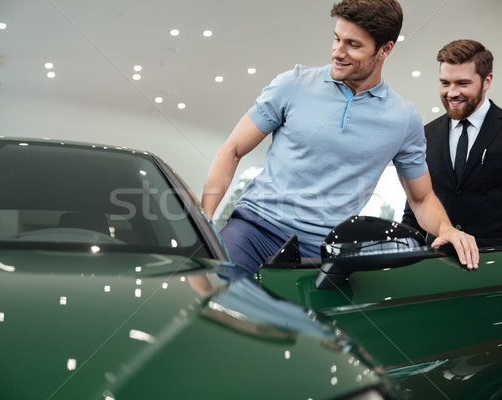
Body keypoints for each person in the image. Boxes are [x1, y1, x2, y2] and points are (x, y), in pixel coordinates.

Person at [202, 0, 478, 275]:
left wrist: (447, 229)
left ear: (385, 49)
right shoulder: (293, 84)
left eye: (353, 45)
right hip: (253, 229)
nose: (338, 52)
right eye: (337, 39)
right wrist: (204, 220)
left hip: (324, 253)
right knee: (214, 298)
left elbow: (421, 198)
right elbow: (233, 149)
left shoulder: (403, 119)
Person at [402, 39, 502, 245]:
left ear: (487, 81)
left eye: (462, 83)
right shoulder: (425, 134)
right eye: (445, 83)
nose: (452, 93)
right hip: (439, 263)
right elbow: (415, 208)